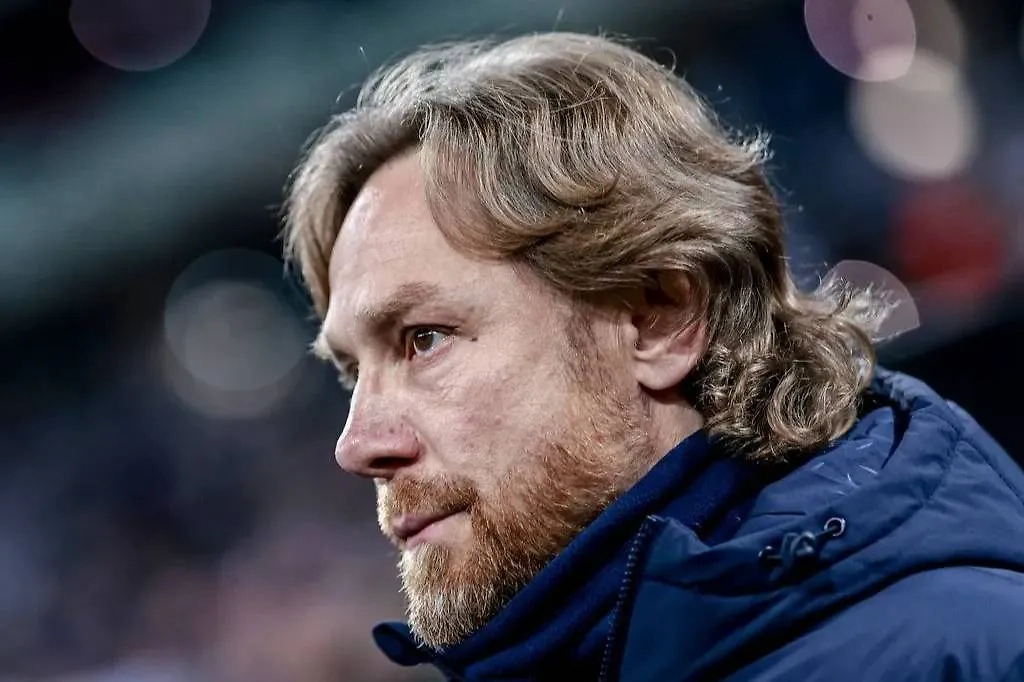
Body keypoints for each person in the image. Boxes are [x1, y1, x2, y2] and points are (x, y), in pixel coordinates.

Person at [281, 32, 1024, 682]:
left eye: (424, 339)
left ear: (659, 322)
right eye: (352, 372)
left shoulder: (971, 655)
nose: (356, 445)